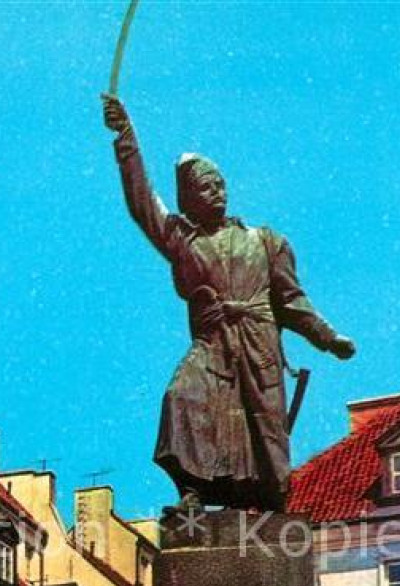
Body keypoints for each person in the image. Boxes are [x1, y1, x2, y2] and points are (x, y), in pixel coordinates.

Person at [102, 95, 356, 512]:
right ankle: (193, 492)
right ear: (188, 198)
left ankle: (269, 504)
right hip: (212, 342)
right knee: (182, 397)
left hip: (257, 343)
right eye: (205, 186)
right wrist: (126, 138)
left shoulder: (264, 241)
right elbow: (142, 202)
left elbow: (291, 301)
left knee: (261, 428)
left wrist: (327, 338)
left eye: (219, 183)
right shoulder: (182, 240)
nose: (217, 192)